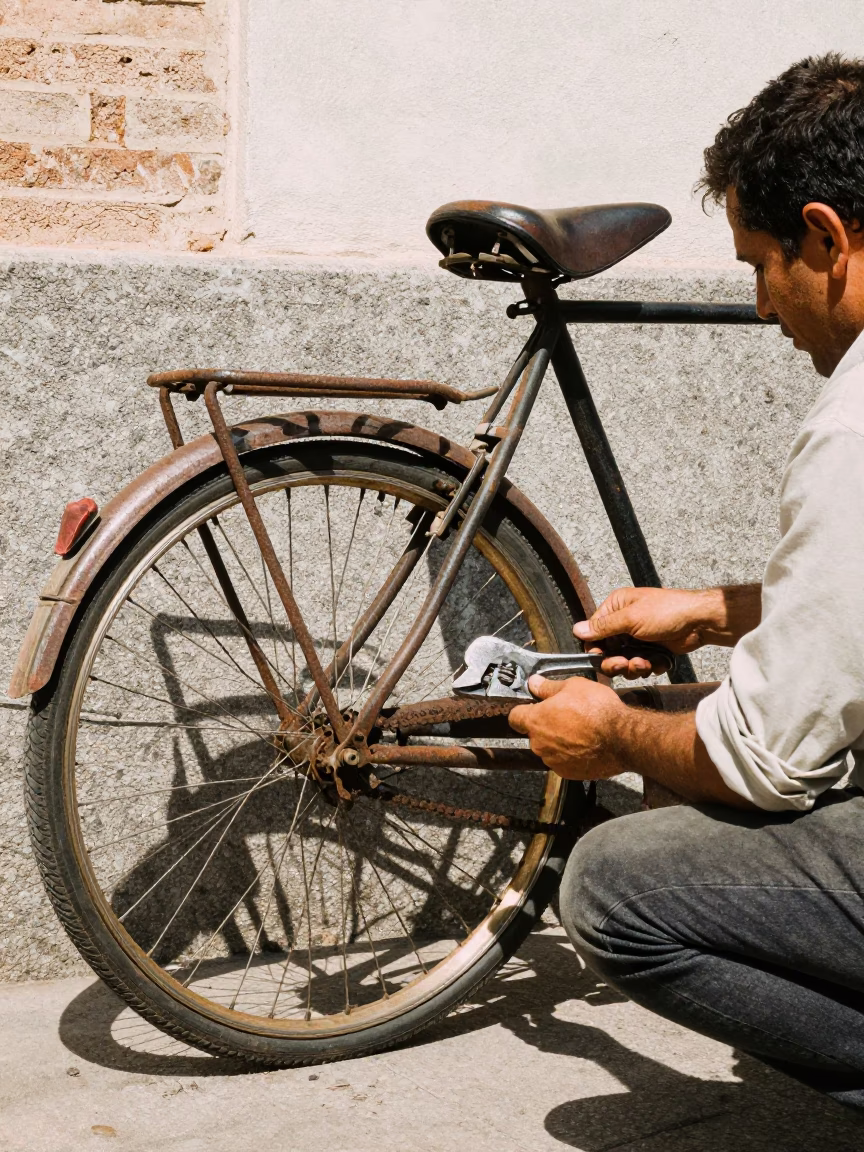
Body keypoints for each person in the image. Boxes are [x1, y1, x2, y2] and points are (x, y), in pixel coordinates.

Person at [509, 53, 864, 1107]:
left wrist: (613, 733)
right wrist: (715, 612)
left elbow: (763, 761)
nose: (762, 307)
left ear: (828, 238)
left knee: (614, 886)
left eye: (761, 263)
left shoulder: (856, 427)